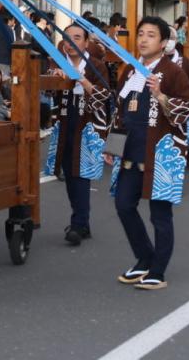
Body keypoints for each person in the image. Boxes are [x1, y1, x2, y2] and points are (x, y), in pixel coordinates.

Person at [108, 16, 189, 291]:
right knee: (124, 205)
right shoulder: (130, 70)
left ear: (163, 42)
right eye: (141, 34)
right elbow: (119, 112)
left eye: (151, 35)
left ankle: (158, 270)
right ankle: (145, 257)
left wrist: (160, 95)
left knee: (160, 215)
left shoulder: (172, 71)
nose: (144, 39)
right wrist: (112, 146)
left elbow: (188, 109)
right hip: (131, 151)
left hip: (160, 154)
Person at [51, 23, 112, 245]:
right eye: (67, 38)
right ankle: (81, 221)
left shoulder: (97, 65)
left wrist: (81, 79)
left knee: (81, 173)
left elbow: (103, 96)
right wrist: (56, 78)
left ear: (86, 42)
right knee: (68, 171)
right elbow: (48, 90)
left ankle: (78, 224)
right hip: (65, 122)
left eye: (77, 38)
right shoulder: (57, 62)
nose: (71, 43)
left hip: (87, 124)